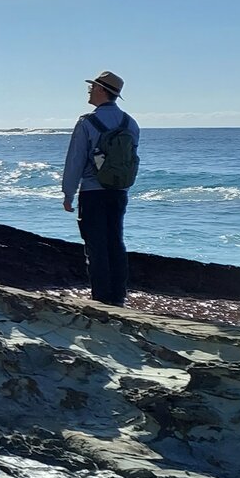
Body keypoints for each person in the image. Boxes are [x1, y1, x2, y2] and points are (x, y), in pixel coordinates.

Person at [62, 70, 139, 306]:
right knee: (115, 241)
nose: (89, 91)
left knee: (95, 246)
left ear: (100, 90)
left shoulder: (87, 122)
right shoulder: (130, 123)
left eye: (92, 87)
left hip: (93, 192)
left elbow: (75, 160)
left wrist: (68, 193)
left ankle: (101, 299)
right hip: (119, 191)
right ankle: (118, 297)